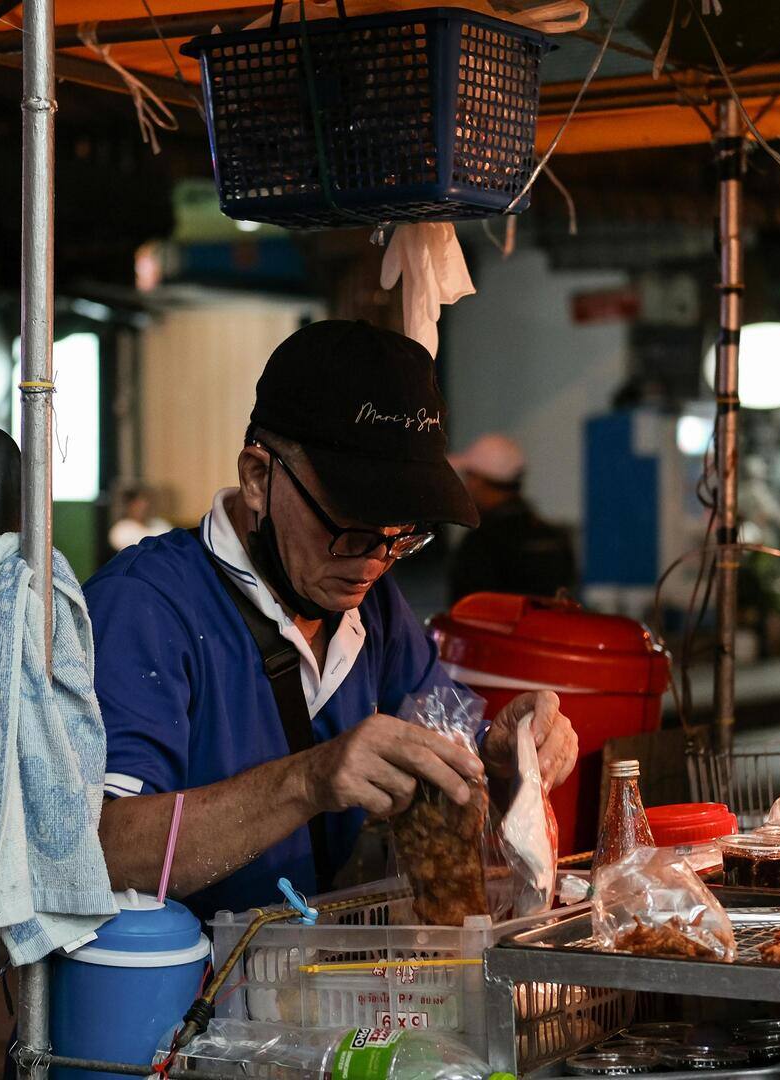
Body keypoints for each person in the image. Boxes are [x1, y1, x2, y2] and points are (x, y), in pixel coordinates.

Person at [83, 320, 578, 916]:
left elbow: (445, 759)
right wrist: (308, 780)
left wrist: (499, 757)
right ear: (259, 478)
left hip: (306, 981)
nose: (374, 561)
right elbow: (103, 849)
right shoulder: (144, 606)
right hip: (174, 995)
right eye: (350, 527)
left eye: (400, 537)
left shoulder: (375, 607)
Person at [444, 433, 578, 604]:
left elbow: (465, 615)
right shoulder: (554, 537)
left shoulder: (479, 544)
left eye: (468, 477)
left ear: (478, 481)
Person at [108, 486, 172, 551]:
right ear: (130, 506)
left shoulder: (161, 524)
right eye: (139, 504)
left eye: (148, 502)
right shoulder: (121, 529)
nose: (145, 507)